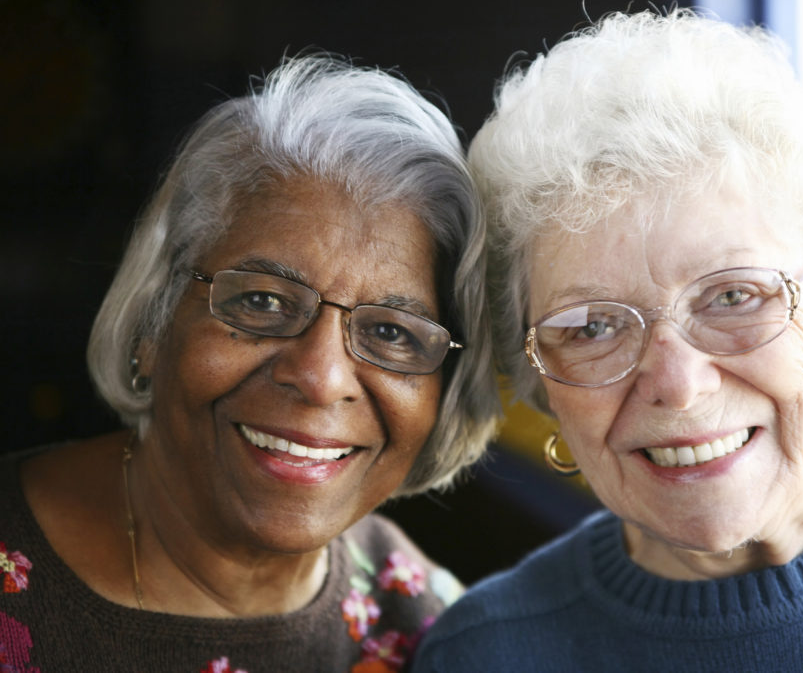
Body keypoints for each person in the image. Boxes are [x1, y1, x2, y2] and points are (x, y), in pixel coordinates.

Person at [412, 10, 803, 672]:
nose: (678, 386)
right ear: (540, 382)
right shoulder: (483, 654)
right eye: (592, 326)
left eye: (733, 297)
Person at [0, 54, 500, 672]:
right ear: (155, 319)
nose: (321, 378)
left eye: (392, 332)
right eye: (262, 300)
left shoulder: (432, 636)